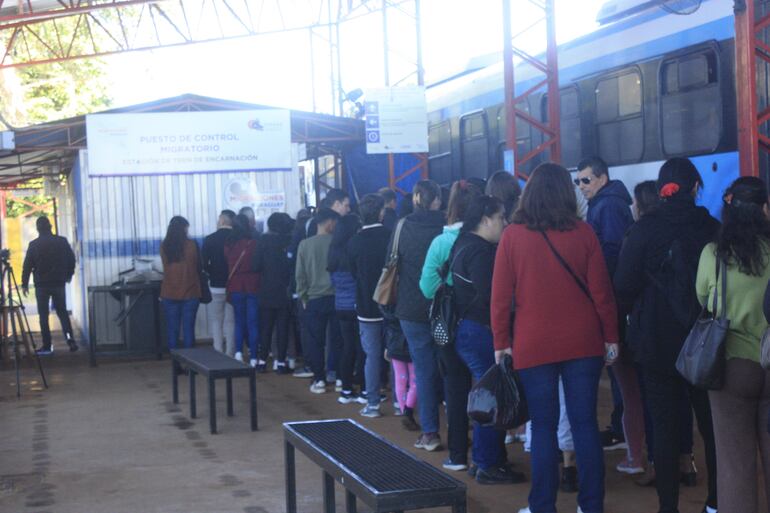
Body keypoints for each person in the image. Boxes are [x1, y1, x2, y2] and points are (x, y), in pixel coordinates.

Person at [491, 163, 619, 513]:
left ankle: (542, 505)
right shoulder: (584, 233)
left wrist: (501, 342)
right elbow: (602, 293)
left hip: (534, 344)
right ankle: (591, 506)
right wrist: (611, 337)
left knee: (543, 427)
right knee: (584, 424)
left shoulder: (513, 236)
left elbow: (500, 297)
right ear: (567, 192)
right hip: (584, 343)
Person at [614, 157, 719, 513]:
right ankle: (715, 502)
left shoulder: (645, 229)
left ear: (661, 191)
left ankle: (668, 506)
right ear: (695, 188)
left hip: (656, 342)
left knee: (663, 422)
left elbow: (624, 283)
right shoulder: (711, 227)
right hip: (705, 341)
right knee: (709, 423)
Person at [697, 177, 770, 513]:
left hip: (732, 366)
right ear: (765, 209)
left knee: (735, 465)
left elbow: (702, 298)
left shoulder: (714, 254)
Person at [452, 195, 525, 485]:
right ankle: (486, 463)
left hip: (468, 330)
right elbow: (493, 297)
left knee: (486, 393)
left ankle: (485, 459)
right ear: (485, 220)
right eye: (501, 218)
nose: (505, 223)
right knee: (492, 397)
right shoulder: (482, 252)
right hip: (481, 331)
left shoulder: (462, 244)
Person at [419, 180, 481, 469]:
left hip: (448, 325)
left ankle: (457, 455)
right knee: (485, 386)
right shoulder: (486, 242)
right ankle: (487, 456)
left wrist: (448, 288)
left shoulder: (440, 243)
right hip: (481, 324)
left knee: (455, 390)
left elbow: (427, 287)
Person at [577, 156, 634, 453]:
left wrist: (601, 292)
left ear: (602, 178)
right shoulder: (608, 202)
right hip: (613, 295)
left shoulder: (608, 206)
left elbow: (610, 252)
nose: (581, 186)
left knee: (618, 369)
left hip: (611, 295)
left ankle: (621, 428)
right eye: (578, 181)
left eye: (586, 180)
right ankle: (621, 426)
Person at [392, 180, 446, 452]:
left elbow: (392, 263)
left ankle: (430, 432)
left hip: (411, 309)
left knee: (423, 370)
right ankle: (461, 427)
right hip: (446, 309)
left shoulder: (402, 226)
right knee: (451, 368)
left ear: (415, 199)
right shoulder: (447, 228)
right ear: (437, 200)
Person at [348, 194, 393, 417]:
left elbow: (352, 272)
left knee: (372, 355)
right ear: (382, 213)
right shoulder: (390, 235)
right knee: (396, 353)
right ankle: (400, 402)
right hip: (393, 303)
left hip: (366, 305)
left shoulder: (355, 241)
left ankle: (373, 403)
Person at [295, 207, 340, 393]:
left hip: (313, 299)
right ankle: (338, 377)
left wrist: (303, 295)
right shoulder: (337, 243)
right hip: (337, 298)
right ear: (329, 223)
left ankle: (319, 380)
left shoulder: (305, 245)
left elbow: (300, 275)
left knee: (315, 340)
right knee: (338, 340)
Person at [21, 216, 78, 354]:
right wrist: (68, 275)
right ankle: (70, 341)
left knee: (43, 316)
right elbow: (72, 260)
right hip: (58, 283)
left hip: (42, 285)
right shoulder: (62, 242)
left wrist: (24, 283)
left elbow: (27, 265)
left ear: (38, 229)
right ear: (51, 226)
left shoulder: (34, 245)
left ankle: (47, 346)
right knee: (63, 314)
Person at [327, 214, 364, 406]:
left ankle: (346, 389)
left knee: (347, 348)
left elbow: (332, 280)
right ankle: (364, 390)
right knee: (362, 349)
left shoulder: (333, 250)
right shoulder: (355, 248)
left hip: (340, 306)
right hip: (357, 305)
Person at [253, 212, 294, 374]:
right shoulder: (289, 241)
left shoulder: (262, 241)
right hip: (285, 291)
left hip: (266, 290)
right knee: (283, 328)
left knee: (266, 327)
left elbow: (255, 265)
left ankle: (262, 361)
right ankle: (281, 363)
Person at [159, 216, 201, 350]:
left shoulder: (164, 246)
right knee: (189, 330)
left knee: (173, 330)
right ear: (184, 228)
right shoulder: (192, 245)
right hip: (191, 292)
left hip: (169, 293)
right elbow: (199, 266)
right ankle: (191, 366)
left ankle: (175, 365)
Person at [225, 214, 260, 367]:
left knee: (239, 321)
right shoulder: (253, 243)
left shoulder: (228, 245)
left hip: (236, 285)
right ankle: (253, 357)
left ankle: (238, 353)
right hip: (253, 285)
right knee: (253, 323)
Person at [202, 210, 237, 357]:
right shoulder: (237, 239)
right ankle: (231, 352)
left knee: (216, 320)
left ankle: (218, 351)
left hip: (216, 286)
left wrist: (211, 273)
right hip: (233, 286)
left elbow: (203, 264)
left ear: (222, 220)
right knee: (231, 321)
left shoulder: (210, 239)